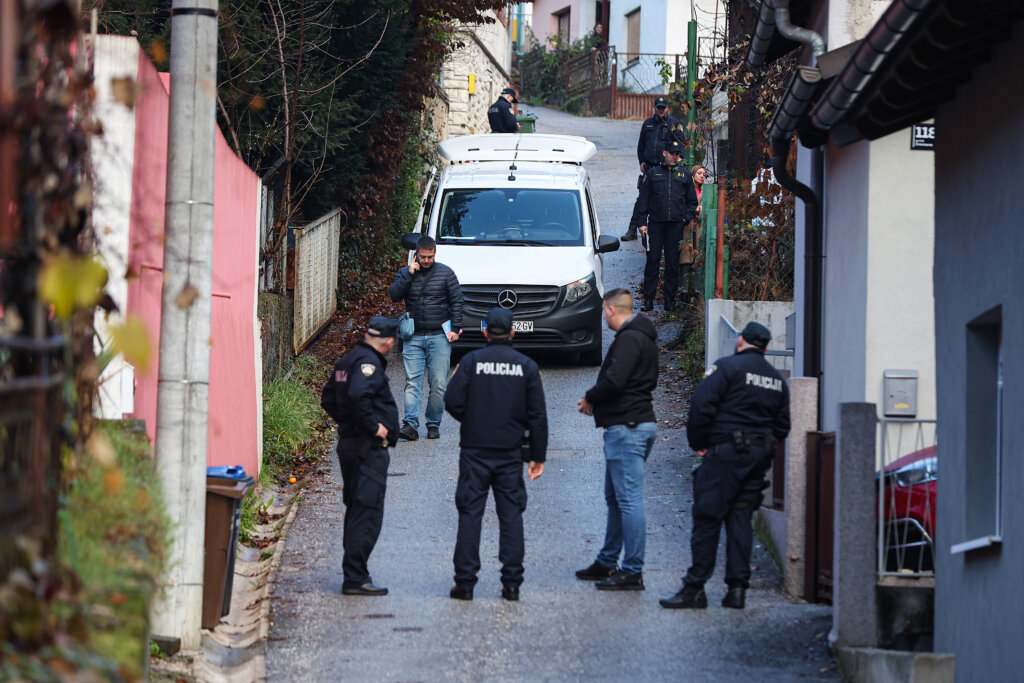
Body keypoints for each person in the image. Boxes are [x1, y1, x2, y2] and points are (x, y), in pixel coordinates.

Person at [660, 321, 791, 610]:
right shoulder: (777, 381)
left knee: (708, 517)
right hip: (757, 460)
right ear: (766, 348)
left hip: (725, 454)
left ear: (741, 341)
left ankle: (695, 587)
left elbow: (701, 405)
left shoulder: (727, 368)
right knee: (741, 519)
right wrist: (762, 449)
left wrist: (700, 444)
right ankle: (737, 591)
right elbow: (783, 426)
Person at [444, 307, 548, 601]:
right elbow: (537, 415)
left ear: (486, 332)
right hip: (509, 454)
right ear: (513, 332)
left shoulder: (471, 361)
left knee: (470, 514)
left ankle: (465, 584)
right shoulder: (527, 367)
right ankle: (511, 585)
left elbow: (451, 400)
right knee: (511, 516)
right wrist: (537, 456)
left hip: (475, 451)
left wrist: (473, 418)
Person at [576, 288, 658, 591]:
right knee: (616, 498)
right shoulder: (643, 338)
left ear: (610, 310)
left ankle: (632, 570)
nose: (604, 318)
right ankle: (608, 560)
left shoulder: (629, 339)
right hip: (635, 424)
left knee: (628, 501)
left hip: (628, 427)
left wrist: (590, 398)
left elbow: (615, 380)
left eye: (602, 313)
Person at [324, 316, 401, 596]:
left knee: (357, 508)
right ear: (390, 342)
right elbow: (358, 396)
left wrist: (347, 423)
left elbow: (328, 398)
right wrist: (373, 427)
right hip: (366, 448)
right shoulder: (368, 364)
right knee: (366, 511)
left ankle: (354, 573)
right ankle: (355, 577)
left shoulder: (348, 359)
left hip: (350, 445)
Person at [388, 235, 464, 441]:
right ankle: (410, 425)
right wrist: (408, 276)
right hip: (413, 336)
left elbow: (457, 301)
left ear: (435, 254)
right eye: (423, 257)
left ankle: (433, 424)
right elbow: (394, 295)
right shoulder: (405, 273)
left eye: (430, 257)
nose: (427, 260)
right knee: (412, 381)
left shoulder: (446, 273)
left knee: (438, 383)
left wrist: (456, 328)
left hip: (439, 336)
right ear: (416, 255)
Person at [632, 139, 699, 311]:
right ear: (664, 153)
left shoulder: (684, 176)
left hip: (675, 225)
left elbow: (692, 202)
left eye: (677, 154)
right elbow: (643, 200)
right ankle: (648, 299)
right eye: (672, 153)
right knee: (652, 261)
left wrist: (685, 218)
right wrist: (641, 223)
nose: (675, 157)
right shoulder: (653, 174)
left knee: (672, 263)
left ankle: (669, 301)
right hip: (655, 224)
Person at [623, 96, 685, 242]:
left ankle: (662, 234)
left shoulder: (674, 124)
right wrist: (642, 161)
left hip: (665, 168)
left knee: (664, 200)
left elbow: (681, 144)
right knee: (642, 200)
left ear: (667, 108)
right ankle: (633, 230)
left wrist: (678, 159)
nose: (661, 110)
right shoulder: (647, 124)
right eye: (659, 108)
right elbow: (641, 146)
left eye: (663, 108)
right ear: (655, 108)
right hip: (650, 168)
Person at [679, 164, 708, 301]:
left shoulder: (706, 192)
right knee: (685, 259)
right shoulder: (686, 189)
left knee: (698, 260)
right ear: (693, 175)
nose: (702, 176)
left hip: (699, 228)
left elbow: (707, 209)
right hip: (687, 227)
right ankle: (684, 291)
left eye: (704, 174)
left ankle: (697, 291)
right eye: (699, 173)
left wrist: (698, 210)